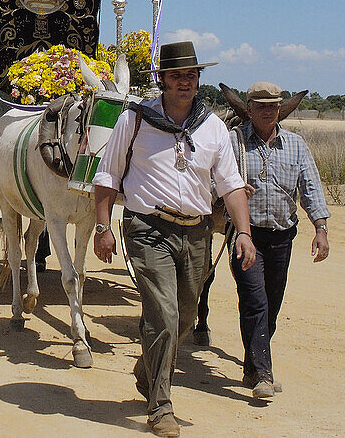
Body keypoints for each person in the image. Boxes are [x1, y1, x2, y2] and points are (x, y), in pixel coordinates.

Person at [91, 41, 257, 438]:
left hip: (197, 232)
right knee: (163, 314)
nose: (185, 82)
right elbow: (108, 175)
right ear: (162, 80)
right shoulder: (136, 120)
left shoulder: (213, 127)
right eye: (177, 75)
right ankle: (161, 407)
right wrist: (102, 226)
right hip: (148, 229)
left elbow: (231, 184)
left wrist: (245, 233)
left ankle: (147, 369)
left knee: (183, 317)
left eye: (192, 75)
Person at [229, 81, 330, 399]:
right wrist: (229, 191)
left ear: (280, 109)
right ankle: (262, 373)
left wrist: (321, 227)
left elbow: (310, 185)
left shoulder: (297, 145)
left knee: (271, 305)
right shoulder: (233, 143)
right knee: (255, 300)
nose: (268, 111)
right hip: (246, 235)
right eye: (261, 105)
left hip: (282, 238)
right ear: (249, 109)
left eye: (273, 106)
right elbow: (214, 179)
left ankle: (253, 364)